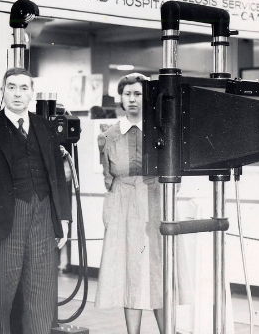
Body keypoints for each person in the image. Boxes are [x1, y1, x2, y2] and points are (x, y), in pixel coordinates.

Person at [0, 68, 70, 334]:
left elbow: (57, 176)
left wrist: (64, 218)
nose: (18, 93)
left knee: (42, 298)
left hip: (43, 218)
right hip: (2, 223)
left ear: (31, 92)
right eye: (12, 87)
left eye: (24, 88)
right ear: (3, 91)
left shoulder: (45, 127)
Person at [95, 73, 164, 334]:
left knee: (157, 271)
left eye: (138, 93)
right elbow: (108, 178)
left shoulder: (162, 132)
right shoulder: (108, 136)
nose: (133, 99)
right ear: (120, 98)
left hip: (155, 206)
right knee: (130, 273)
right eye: (128, 94)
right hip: (124, 208)